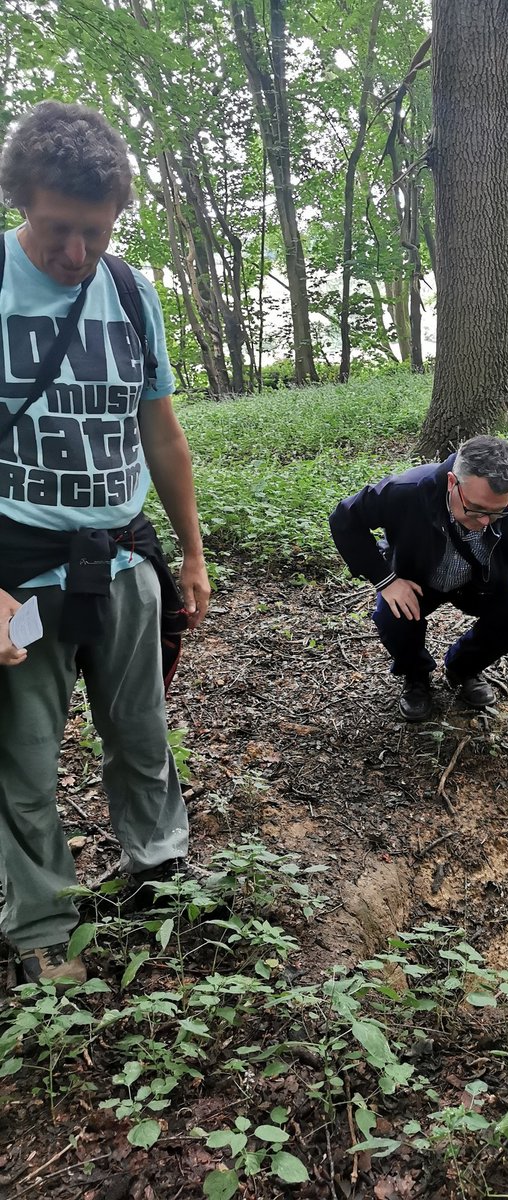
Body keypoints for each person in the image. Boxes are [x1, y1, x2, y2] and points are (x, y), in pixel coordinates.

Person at [0, 101, 210, 986]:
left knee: (140, 732)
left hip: (126, 561)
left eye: (94, 231)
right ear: (19, 199)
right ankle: (43, 930)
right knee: (24, 761)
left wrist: (193, 554)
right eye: (58, 229)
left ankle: (158, 872)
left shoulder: (130, 292)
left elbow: (161, 434)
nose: (75, 253)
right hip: (19, 574)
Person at [330, 435, 508, 722]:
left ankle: (464, 668)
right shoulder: (406, 491)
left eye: (497, 512)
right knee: (391, 612)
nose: (484, 521)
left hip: (481, 585)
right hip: (417, 580)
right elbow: (344, 519)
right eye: (477, 509)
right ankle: (415, 675)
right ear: (453, 482)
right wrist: (386, 580)